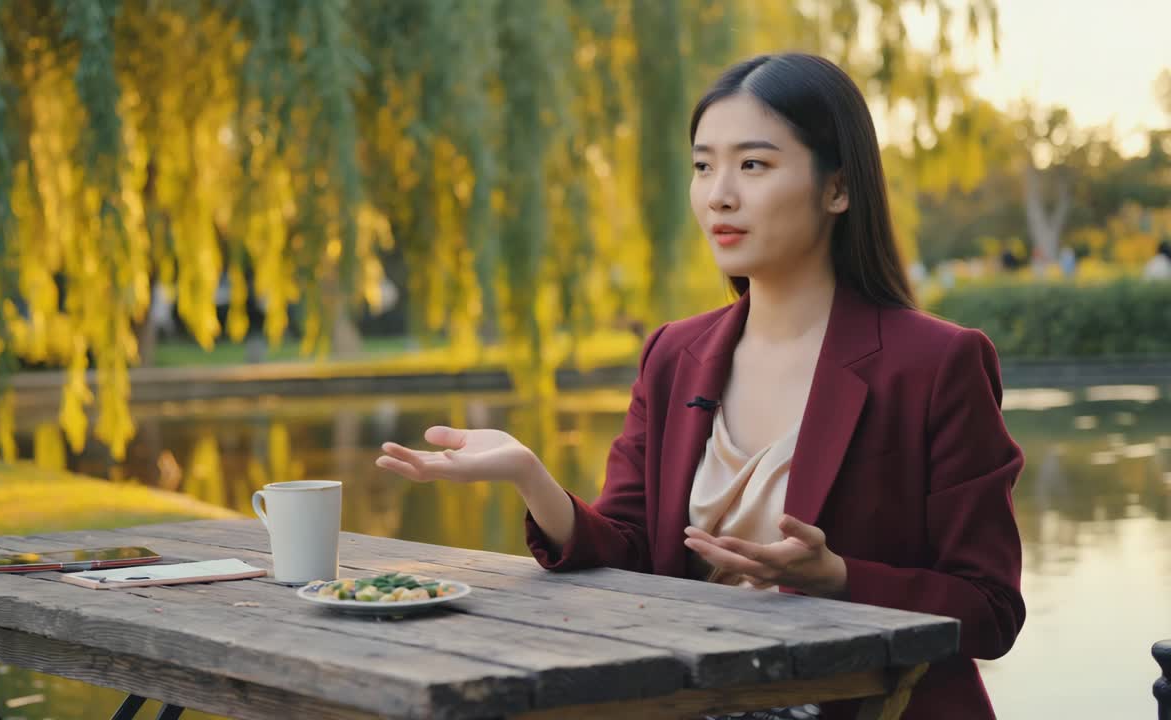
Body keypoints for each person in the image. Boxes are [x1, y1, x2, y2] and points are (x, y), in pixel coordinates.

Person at [376, 53, 1024, 720]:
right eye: (703, 166)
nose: (719, 194)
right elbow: (627, 550)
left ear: (837, 188)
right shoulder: (673, 356)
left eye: (753, 165)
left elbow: (992, 610)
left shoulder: (936, 363)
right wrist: (530, 476)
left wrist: (838, 578)